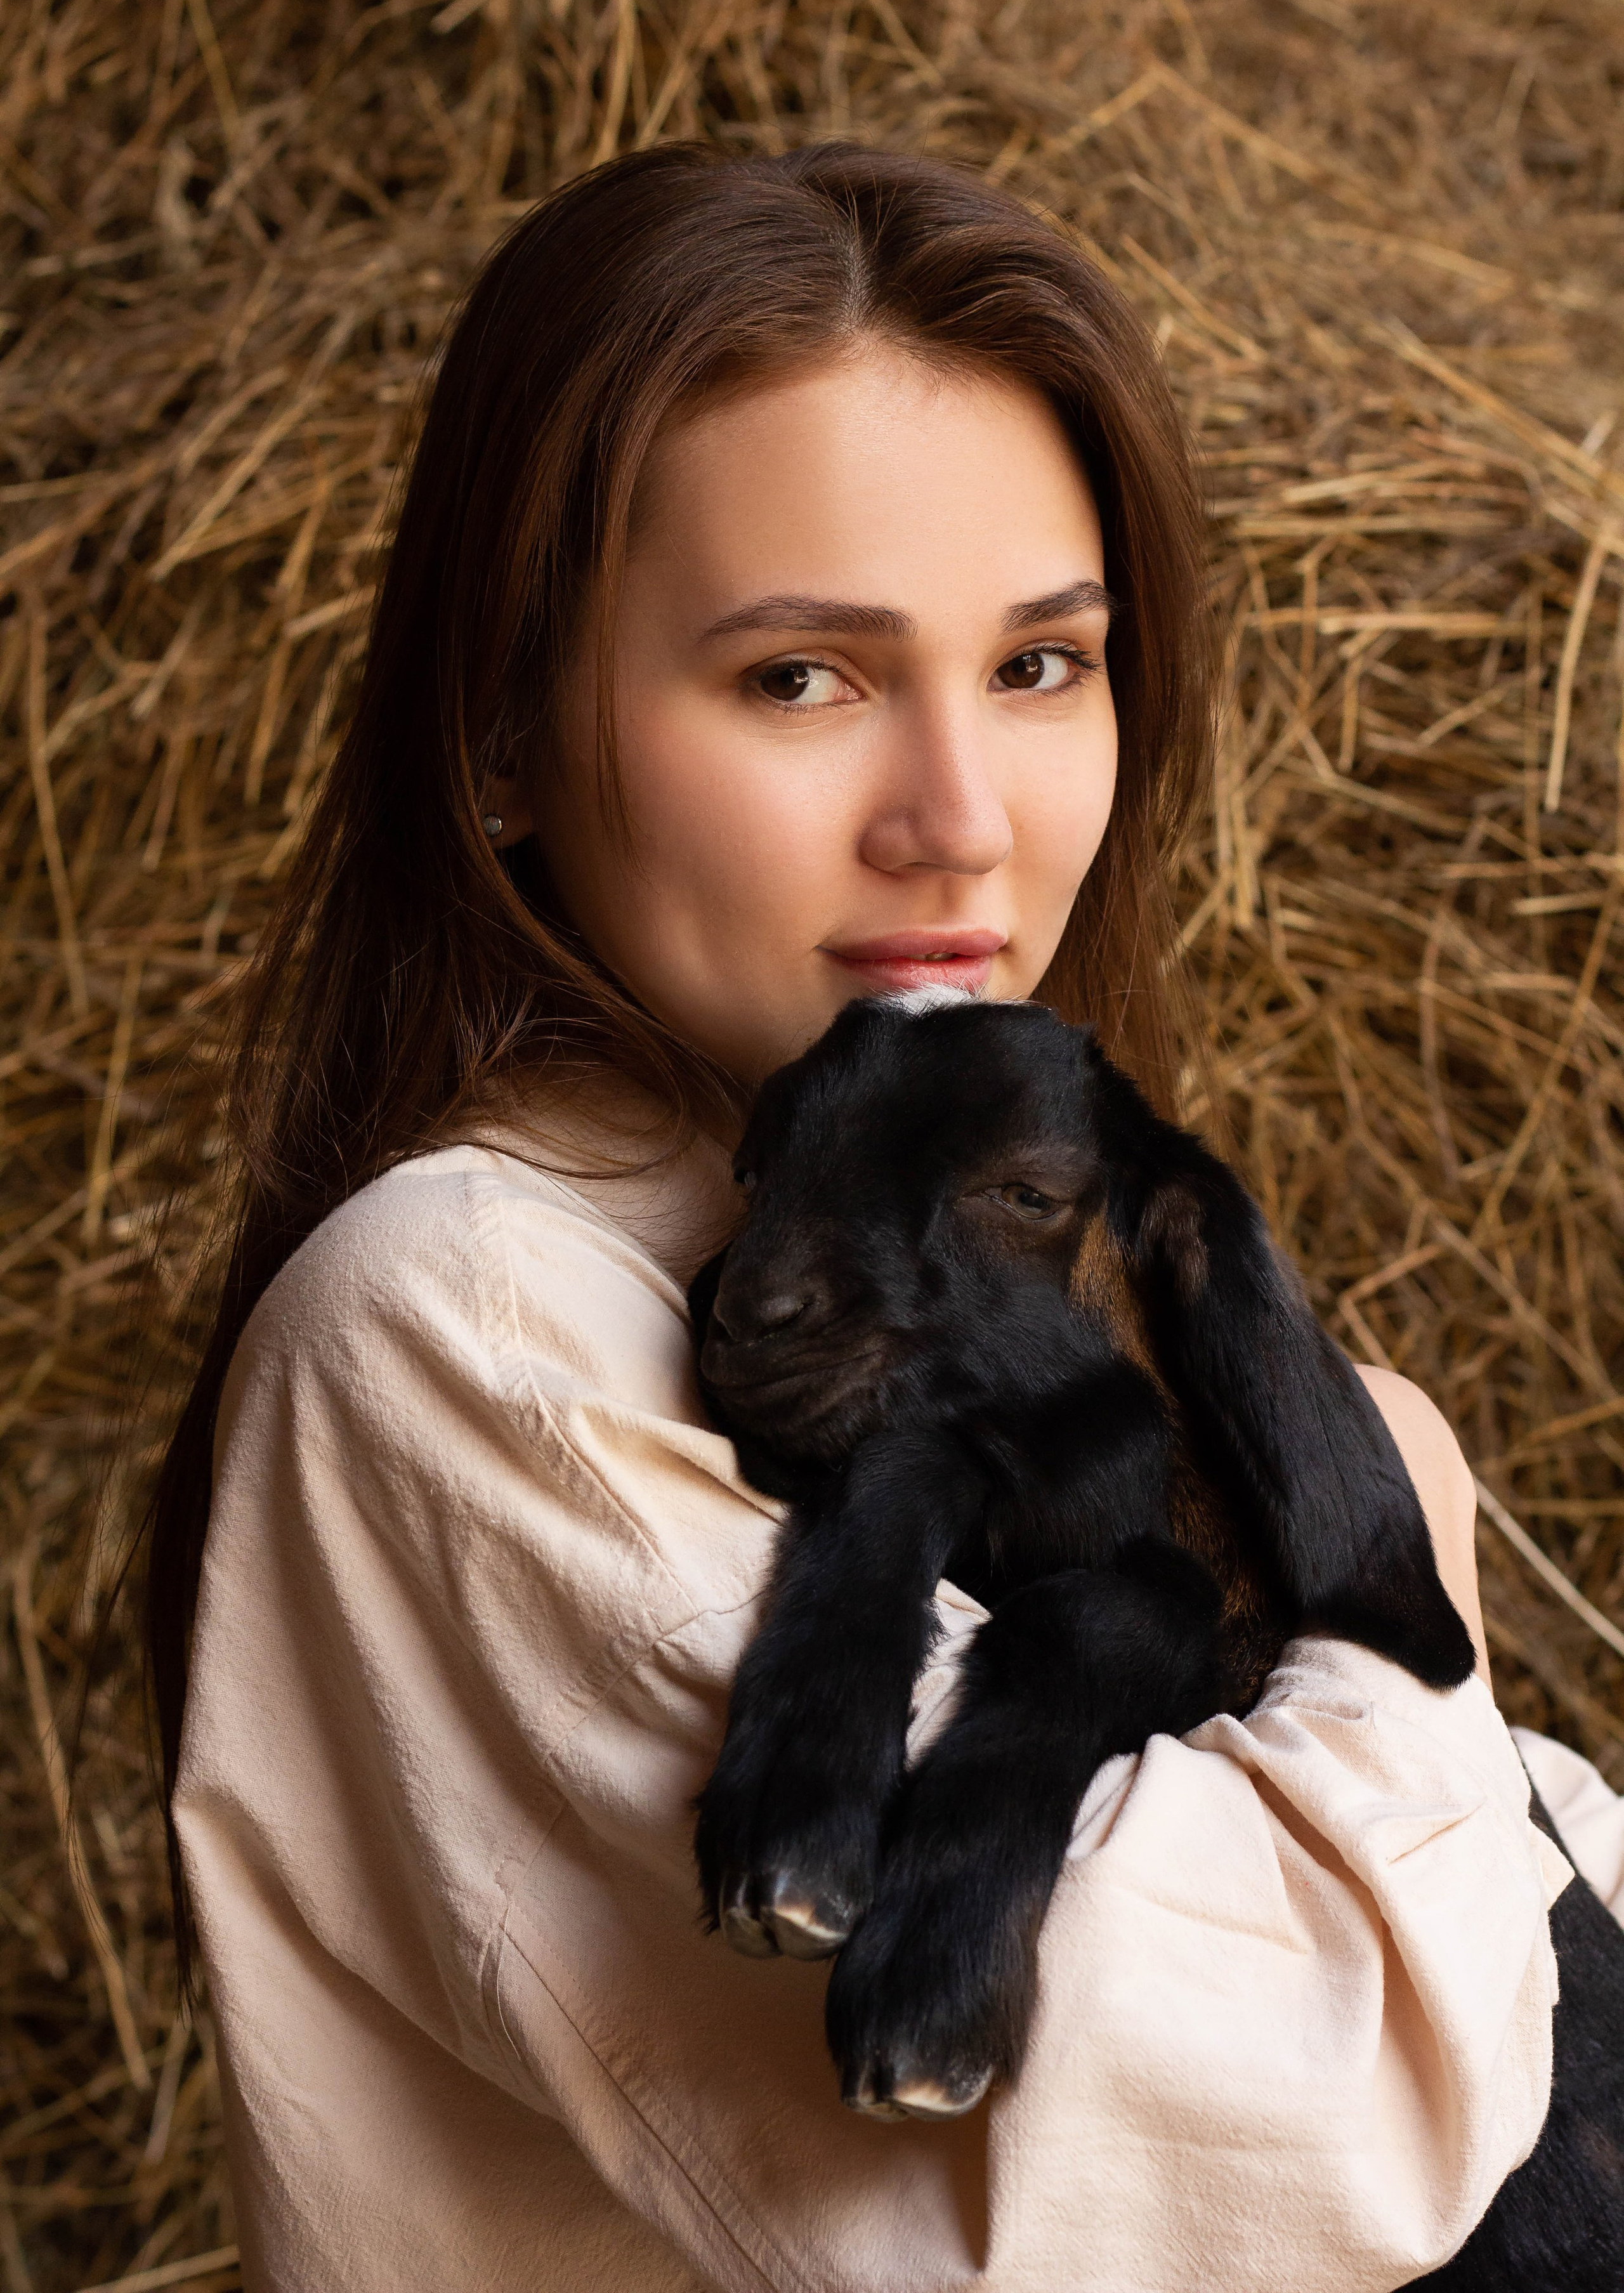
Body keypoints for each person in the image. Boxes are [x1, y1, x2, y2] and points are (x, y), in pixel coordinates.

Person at [151, 145, 1619, 2292]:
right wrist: (1403, 1543)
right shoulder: (472, 1319)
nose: (959, 820)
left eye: (1041, 665)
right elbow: (1294, 2141)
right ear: (501, 734)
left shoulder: (938, 1254)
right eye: (799, 679)